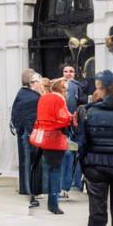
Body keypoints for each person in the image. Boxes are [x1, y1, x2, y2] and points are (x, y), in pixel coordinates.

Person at [79, 70, 113, 226]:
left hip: (96, 166)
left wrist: (84, 165)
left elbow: (83, 143)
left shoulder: (91, 112)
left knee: (97, 209)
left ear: (104, 89)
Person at [32, 78, 74, 214]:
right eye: (65, 88)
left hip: (44, 137)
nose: (67, 91)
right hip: (55, 138)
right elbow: (63, 118)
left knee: (50, 169)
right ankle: (53, 204)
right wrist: (72, 118)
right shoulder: (59, 99)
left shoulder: (43, 98)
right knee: (55, 171)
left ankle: (50, 200)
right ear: (60, 88)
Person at [11, 69, 43, 201]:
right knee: (28, 163)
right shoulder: (32, 97)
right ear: (32, 83)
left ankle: (28, 189)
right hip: (29, 134)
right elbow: (29, 118)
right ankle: (28, 190)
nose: (40, 83)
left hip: (24, 133)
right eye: (38, 81)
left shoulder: (23, 93)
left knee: (26, 163)